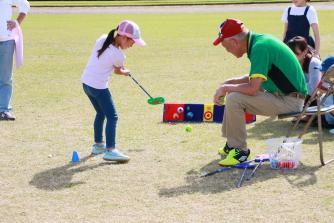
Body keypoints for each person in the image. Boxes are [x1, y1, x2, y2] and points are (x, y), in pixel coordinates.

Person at [212, 18, 308, 166]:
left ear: (234, 42)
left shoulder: (259, 47)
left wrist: (226, 88)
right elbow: (254, 78)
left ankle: (240, 151)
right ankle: (232, 145)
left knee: (234, 98)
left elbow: (252, 88)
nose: (228, 51)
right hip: (286, 97)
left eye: (226, 47)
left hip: (291, 101)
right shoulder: (259, 42)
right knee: (233, 94)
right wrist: (227, 84)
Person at [81, 20, 146, 162]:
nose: (132, 45)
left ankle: (98, 145)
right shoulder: (119, 55)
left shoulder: (102, 38)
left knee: (100, 113)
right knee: (112, 116)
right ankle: (110, 150)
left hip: (86, 84)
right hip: (98, 87)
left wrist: (121, 68)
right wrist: (125, 71)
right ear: (123, 37)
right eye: (132, 41)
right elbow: (118, 70)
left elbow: (110, 62)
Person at [0, 0, 30, 121]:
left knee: (5, 78)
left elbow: (25, 5)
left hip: (7, 40)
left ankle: (4, 110)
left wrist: (17, 22)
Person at [287, 36, 321, 104]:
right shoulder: (291, 64)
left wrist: (293, 87)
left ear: (305, 51)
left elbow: (314, 89)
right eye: (290, 54)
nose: (292, 57)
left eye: (296, 53)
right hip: (299, 100)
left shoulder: (314, 63)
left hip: (315, 101)